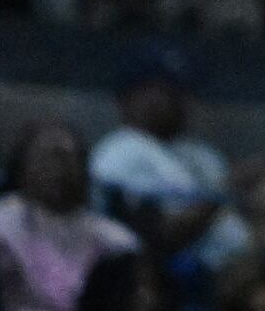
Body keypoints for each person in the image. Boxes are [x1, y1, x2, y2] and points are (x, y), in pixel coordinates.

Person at [0, 118, 140, 311]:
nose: (58, 169)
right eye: (47, 158)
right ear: (21, 167)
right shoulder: (3, 223)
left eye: (66, 158)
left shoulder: (115, 237)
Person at [87, 53, 231, 260]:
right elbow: (158, 235)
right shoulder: (119, 151)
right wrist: (220, 196)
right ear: (132, 95)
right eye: (170, 91)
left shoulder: (202, 152)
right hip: (176, 274)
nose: (183, 100)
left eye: (184, 90)